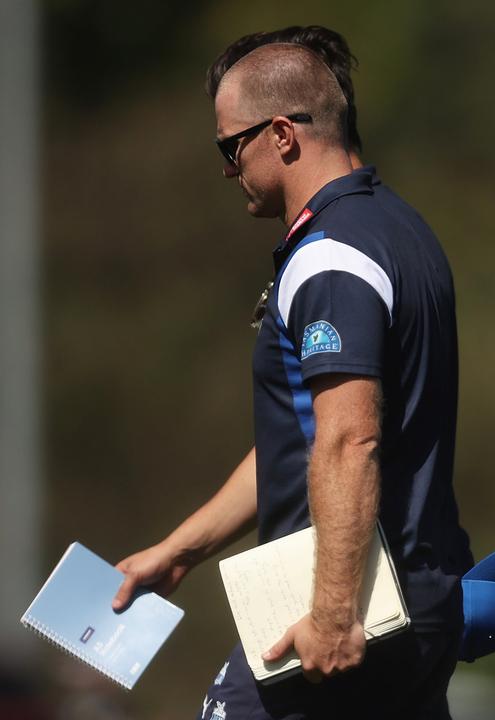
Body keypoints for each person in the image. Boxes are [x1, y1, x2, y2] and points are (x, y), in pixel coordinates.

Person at [111, 38, 471, 719]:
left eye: (230, 148)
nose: (227, 170)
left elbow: (347, 439)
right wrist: (179, 550)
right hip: (415, 599)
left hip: (346, 610)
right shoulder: (403, 230)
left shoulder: (330, 255)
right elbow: (305, 444)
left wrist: (333, 613)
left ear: (280, 135)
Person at [206, 25, 365, 168]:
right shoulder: (375, 199)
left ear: (283, 132)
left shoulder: (352, 200)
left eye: (233, 146)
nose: (229, 170)